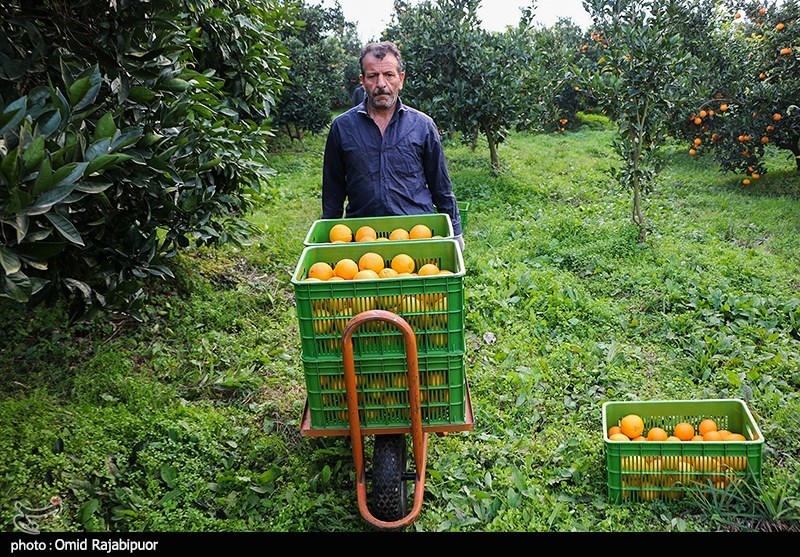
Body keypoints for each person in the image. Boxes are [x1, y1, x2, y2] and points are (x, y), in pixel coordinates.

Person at [322, 41, 464, 251]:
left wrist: (456, 231)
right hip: (364, 235)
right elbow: (333, 189)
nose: (381, 84)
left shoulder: (422, 126)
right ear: (362, 81)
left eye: (389, 75)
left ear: (401, 79)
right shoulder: (342, 128)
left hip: (417, 233)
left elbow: (440, 185)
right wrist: (328, 234)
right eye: (372, 76)